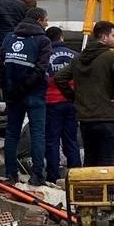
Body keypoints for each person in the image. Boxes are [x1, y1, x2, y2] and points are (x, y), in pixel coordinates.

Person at [55, 21, 114, 167]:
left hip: (86, 119)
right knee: (106, 163)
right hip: (109, 117)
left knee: (90, 160)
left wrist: (74, 98)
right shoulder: (111, 57)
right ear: (104, 37)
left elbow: (59, 78)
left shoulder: (78, 59)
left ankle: (89, 182)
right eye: (113, 35)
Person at [1, 8, 51, 185]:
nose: (47, 23)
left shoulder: (9, 37)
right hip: (34, 94)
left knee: (11, 134)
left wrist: (8, 89)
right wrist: (26, 86)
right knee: (37, 134)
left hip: (13, 94)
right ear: (38, 20)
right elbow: (41, 69)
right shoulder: (43, 40)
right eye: (45, 20)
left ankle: (10, 174)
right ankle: (37, 175)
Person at [44, 27, 80, 182]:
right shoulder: (75, 56)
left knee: (52, 141)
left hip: (51, 103)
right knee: (71, 140)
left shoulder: (45, 55)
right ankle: (76, 175)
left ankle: (53, 176)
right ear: (62, 37)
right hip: (71, 102)